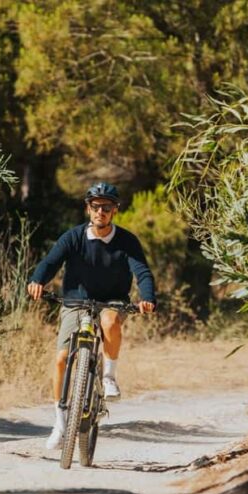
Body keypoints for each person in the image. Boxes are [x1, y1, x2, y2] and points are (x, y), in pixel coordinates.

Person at [27, 182, 156, 449]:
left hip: (112, 301)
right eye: (96, 207)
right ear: (88, 209)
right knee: (62, 358)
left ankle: (108, 377)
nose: (101, 212)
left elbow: (142, 272)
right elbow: (51, 262)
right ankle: (61, 423)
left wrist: (147, 297)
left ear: (115, 211)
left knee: (109, 321)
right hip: (76, 301)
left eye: (107, 207)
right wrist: (38, 280)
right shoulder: (72, 237)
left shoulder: (127, 241)